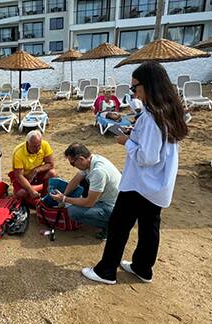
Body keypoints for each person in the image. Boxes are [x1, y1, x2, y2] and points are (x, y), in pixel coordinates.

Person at [82, 61, 188, 285]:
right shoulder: (168, 112)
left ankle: (106, 271)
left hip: (141, 183)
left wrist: (126, 141)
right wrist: (136, 134)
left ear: (148, 86)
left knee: (119, 226)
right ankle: (143, 268)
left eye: (135, 87)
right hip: (158, 184)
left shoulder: (151, 118)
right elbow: (157, 146)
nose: (133, 92)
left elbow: (147, 157)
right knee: (150, 227)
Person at [49, 143, 122, 240]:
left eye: (72, 163)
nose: (73, 166)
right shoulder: (92, 160)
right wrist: (64, 196)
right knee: (83, 181)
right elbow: (77, 179)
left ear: (81, 159)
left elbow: (89, 203)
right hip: (115, 198)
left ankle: (111, 226)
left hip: (114, 207)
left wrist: (64, 199)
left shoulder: (98, 172)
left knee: (73, 212)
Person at [9, 130, 56, 206]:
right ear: (28, 143)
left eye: (39, 146)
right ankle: (35, 195)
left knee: (52, 173)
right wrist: (30, 190)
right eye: (34, 146)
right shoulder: (18, 152)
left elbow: (50, 164)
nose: (37, 149)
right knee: (21, 193)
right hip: (24, 176)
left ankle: (43, 198)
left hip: (36, 174)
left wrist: (36, 170)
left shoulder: (45, 145)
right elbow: (19, 175)